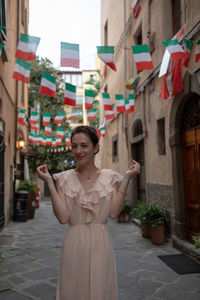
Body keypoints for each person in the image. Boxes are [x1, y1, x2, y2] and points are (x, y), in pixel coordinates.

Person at [37, 125, 140, 300]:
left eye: (84, 145)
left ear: (95, 148)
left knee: (101, 290)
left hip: (101, 242)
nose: (78, 151)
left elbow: (114, 213)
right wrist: (49, 182)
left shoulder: (109, 177)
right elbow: (63, 218)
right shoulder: (63, 179)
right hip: (74, 243)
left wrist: (128, 178)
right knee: (73, 290)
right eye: (74, 146)